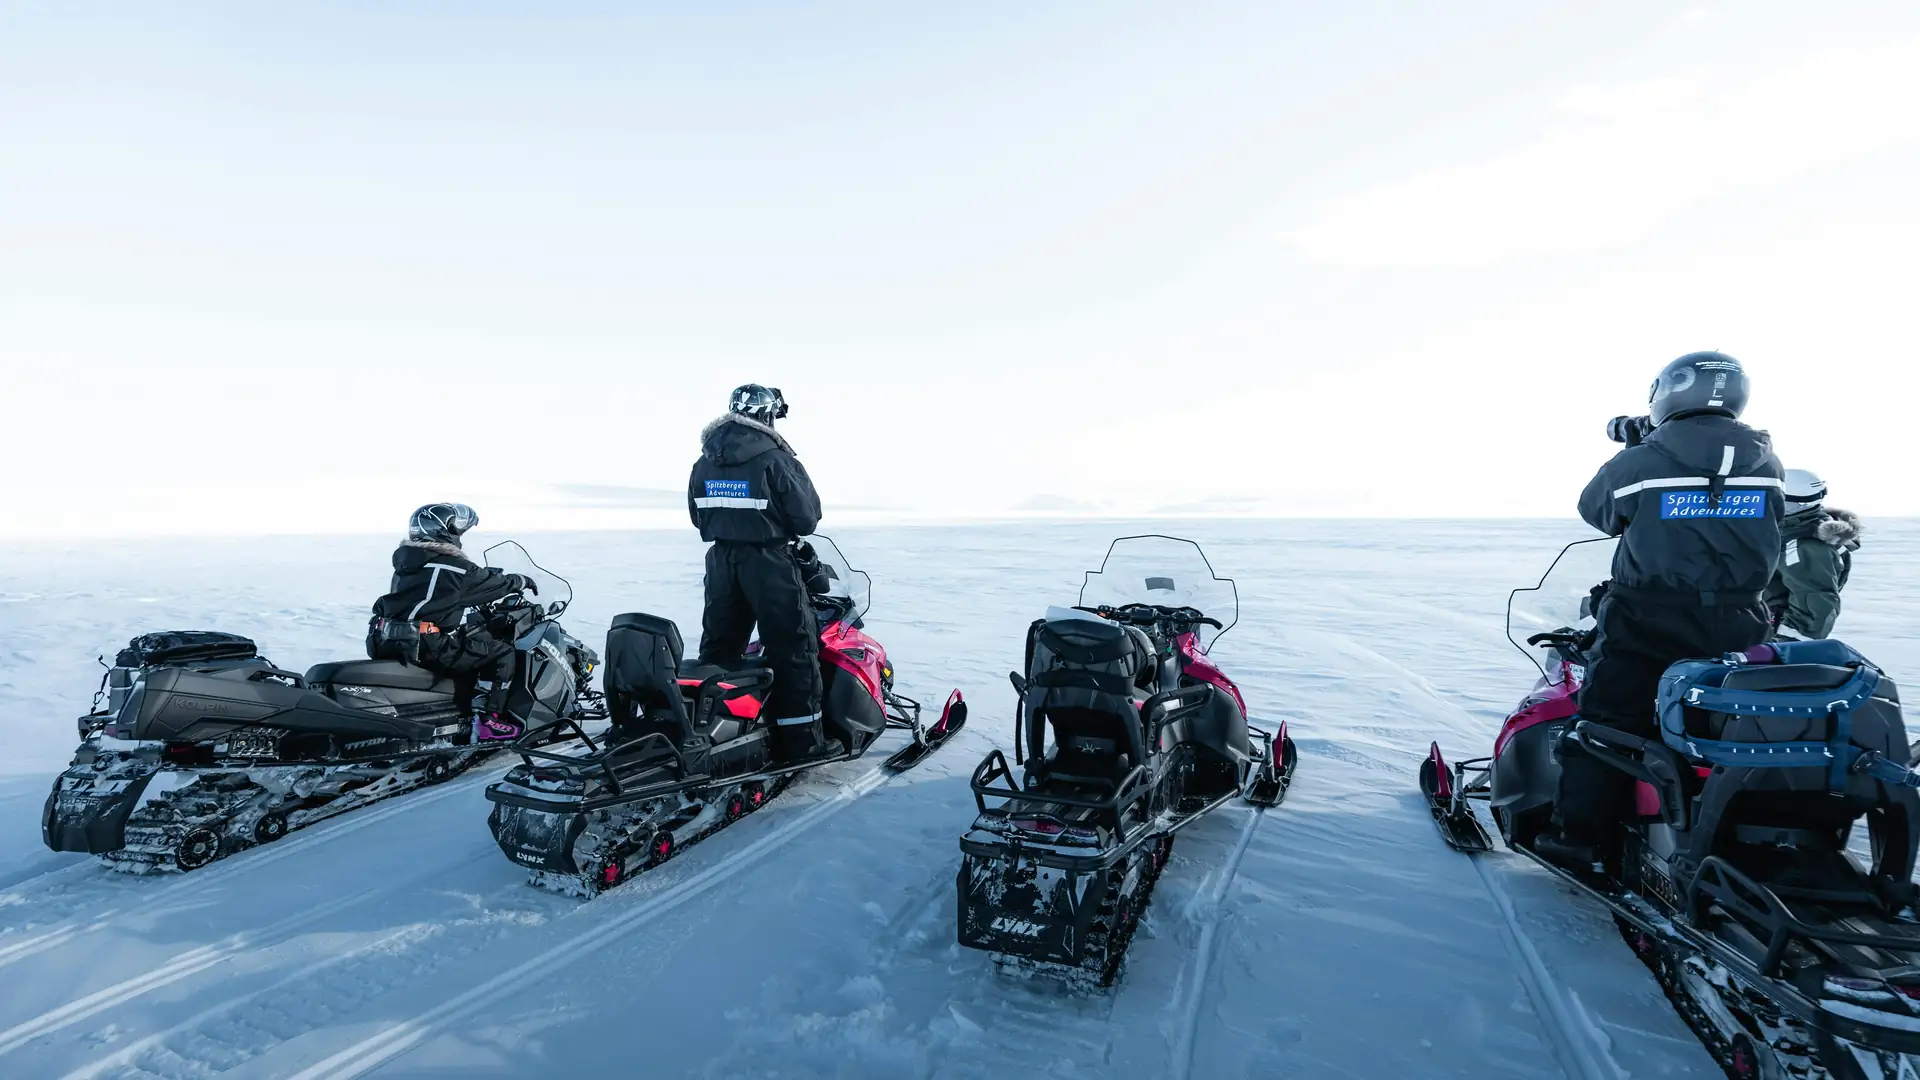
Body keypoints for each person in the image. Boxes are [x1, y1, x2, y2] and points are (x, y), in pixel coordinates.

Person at [1536, 352, 1786, 871]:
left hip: (1647, 619)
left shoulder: (1641, 462)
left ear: (1667, 393)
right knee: (1727, 725)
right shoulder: (1768, 463)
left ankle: (1577, 839)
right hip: (1742, 620)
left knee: (1606, 724)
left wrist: (1639, 446)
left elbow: (1596, 511)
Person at [687, 384, 833, 763]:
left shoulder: (705, 461)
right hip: (770, 563)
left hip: (721, 562)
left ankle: (712, 734)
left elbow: (697, 516)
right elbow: (807, 519)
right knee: (792, 648)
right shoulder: (775, 459)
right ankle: (802, 744)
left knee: (719, 649)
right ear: (768, 415)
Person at [367, 503, 540, 741]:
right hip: (424, 642)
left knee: (465, 647)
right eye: (457, 530)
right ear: (443, 530)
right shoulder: (452, 566)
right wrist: (520, 581)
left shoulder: (410, 561)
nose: (459, 536)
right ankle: (490, 721)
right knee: (501, 652)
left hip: (384, 637)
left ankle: (459, 712)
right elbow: (490, 584)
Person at [1763, 469, 1862, 640]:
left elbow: (1816, 606)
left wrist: (1782, 646)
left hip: (1773, 632)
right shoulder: (1786, 531)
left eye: (1772, 499)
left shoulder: (1805, 548)